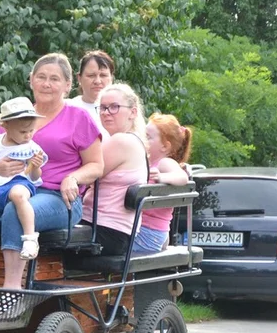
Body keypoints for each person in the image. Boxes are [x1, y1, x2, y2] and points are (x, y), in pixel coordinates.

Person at [0, 53, 104, 289]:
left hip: (57, 196)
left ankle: (12, 291)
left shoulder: (78, 117)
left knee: (14, 211)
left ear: (68, 85)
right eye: (41, 77)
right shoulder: (17, 113)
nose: (47, 84)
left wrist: (73, 177)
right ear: (31, 80)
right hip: (7, 188)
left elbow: (97, 165)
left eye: (55, 79)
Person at [0, 97, 48, 261]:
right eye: (22, 132)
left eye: (31, 131)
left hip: (20, 183)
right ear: (4, 126)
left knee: (19, 196)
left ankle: (30, 238)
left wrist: (35, 166)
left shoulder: (31, 148)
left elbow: (35, 177)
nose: (28, 135)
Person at [80, 83, 149, 255]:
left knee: (39, 231)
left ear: (133, 112)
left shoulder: (121, 141)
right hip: (113, 231)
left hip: (104, 230)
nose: (106, 112)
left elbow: (84, 172)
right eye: (102, 108)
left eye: (114, 107)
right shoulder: (132, 140)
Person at [132, 113, 193, 253]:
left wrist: (162, 177)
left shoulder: (165, 162)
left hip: (148, 234)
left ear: (165, 147)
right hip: (148, 233)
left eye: (148, 137)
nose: (143, 140)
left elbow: (182, 177)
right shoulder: (147, 163)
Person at [67, 50, 116, 135]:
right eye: (91, 76)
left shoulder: (122, 110)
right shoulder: (67, 109)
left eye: (103, 75)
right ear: (79, 78)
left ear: (111, 78)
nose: (97, 81)